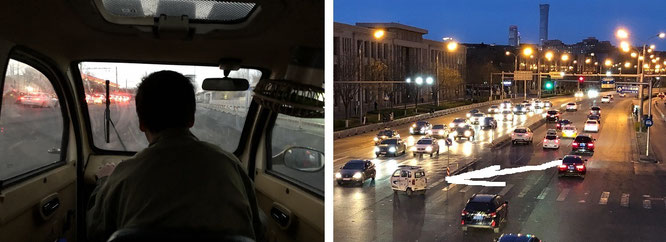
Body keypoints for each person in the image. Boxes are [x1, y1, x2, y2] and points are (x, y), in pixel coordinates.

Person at [87, 71, 262, 241]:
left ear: (141, 123)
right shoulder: (232, 167)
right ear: (192, 119)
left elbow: (94, 232)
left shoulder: (122, 176)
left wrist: (103, 182)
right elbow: (257, 229)